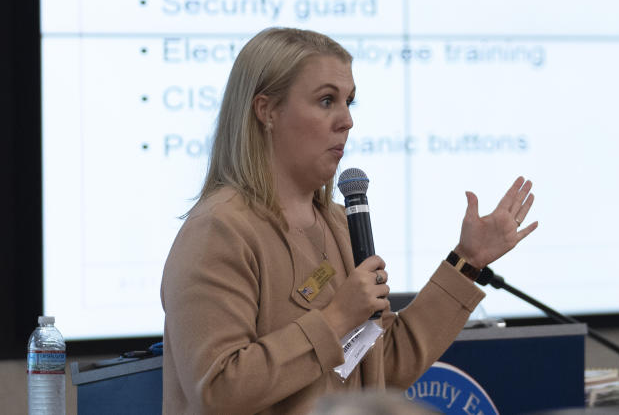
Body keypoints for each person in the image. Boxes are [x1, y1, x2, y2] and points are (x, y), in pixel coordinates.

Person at [161, 27, 538, 415]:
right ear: (266, 110)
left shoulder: (340, 223)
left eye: (349, 102)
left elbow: (382, 370)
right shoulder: (219, 230)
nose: (346, 121)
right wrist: (336, 317)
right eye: (326, 100)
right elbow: (220, 389)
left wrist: (467, 261)